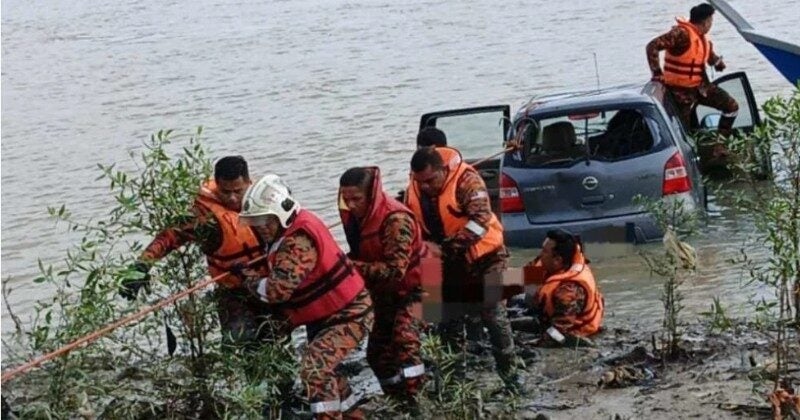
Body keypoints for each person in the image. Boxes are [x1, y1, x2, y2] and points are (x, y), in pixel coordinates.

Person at [238, 174, 373, 420]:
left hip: (348, 313)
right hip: (330, 313)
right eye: (256, 221)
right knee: (326, 368)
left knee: (314, 370)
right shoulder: (292, 229)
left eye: (265, 220)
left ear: (280, 212)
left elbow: (276, 291)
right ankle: (353, 414)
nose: (261, 227)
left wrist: (249, 281)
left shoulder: (298, 241)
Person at [119, 156, 281, 347]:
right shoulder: (205, 216)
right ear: (216, 186)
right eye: (225, 192)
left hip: (273, 284)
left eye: (238, 191)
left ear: (248, 182)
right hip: (235, 293)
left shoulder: (267, 199)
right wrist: (141, 266)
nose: (232, 198)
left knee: (278, 338)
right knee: (241, 343)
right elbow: (170, 237)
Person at [404, 146, 520, 390]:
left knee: (493, 315)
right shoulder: (413, 190)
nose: (425, 187)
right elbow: (412, 227)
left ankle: (511, 378)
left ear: (443, 170)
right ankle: (454, 386)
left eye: (430, 180)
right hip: (445, 263)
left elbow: (480, 222)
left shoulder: (467, 181)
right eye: (420, 182)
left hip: (485, 257)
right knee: (447, 323)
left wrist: (446, 249)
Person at [338, 167, 427, 408]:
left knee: (405, 341)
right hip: (388, 294)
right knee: (377, 355)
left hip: (420, 289)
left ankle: (421, 403)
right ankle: (399, 400)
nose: (351, 205)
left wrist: (349, 266)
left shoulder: (395, 219)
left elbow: (395, 270)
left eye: (356, 198)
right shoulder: (360, 220)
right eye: (346, 199)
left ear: (371, 194)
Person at [646, 2, 739, 154]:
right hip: (679, 92)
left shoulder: (701, 38)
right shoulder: (681, 34)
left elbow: (705, 54)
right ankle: (691, 159)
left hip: (700, 88)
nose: (711, 24)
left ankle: (720, 145)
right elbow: (652, 46)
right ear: (706, 21)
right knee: (684, 133)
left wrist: (717, 62)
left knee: (732, 107)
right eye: (711, 21)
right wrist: (657, 74)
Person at [522, 230, 604, 344]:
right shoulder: (547, 262)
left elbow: (558, 332)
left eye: (544, 251)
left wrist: (528, 344)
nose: (540, 255)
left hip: (569, 330)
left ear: (557, 260)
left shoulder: (568, 291)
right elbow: (518, 277)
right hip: (545, 313)